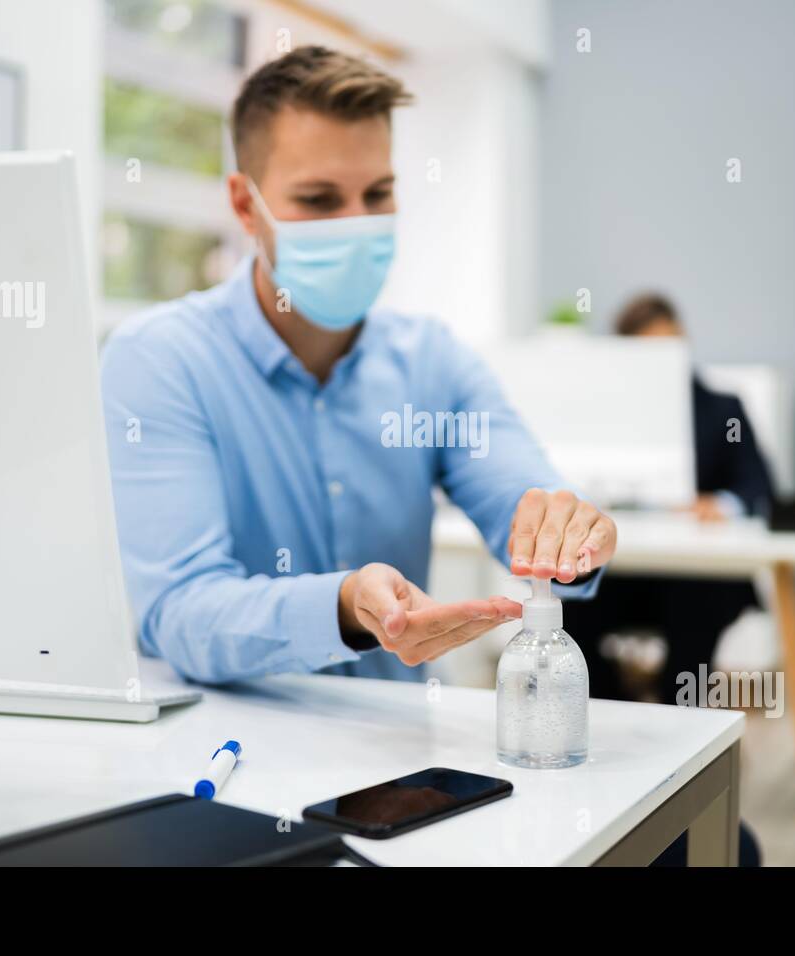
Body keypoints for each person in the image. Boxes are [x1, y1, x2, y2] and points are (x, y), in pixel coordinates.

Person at [99, 46, 617, 685]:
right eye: (319, 200)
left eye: (378, 193)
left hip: (405, 751)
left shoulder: (434, 362)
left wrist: (569, 537)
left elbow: (525, 505)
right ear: (243, 205)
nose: (356, 224)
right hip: (231, 751)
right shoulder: (160, 362)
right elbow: (180, 612)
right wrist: (340, 608)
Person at [563, 293, 775, 705]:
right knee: (571, 603)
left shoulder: (722, 408)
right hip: (624, 573)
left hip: (697, 575)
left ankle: (683, 725)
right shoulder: (604, 416)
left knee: (694, 610)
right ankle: (611, 710)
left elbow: (760, 488)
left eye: (674, 346)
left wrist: (720, 505)